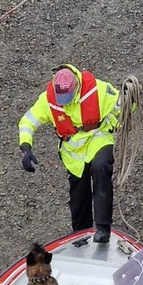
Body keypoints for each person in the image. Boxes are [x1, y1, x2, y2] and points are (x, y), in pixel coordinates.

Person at [18, 65, 121, 244]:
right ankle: (81, 235)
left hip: (99, 138)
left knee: (101, 168)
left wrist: (132, 99)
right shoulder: (47, 100)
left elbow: (124, 105)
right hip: (73, 152)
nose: (64, 102)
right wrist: (26, 148)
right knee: (78, 194)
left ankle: (103, 227)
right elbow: (28, 122)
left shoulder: (98, 89)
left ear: (76, 87)